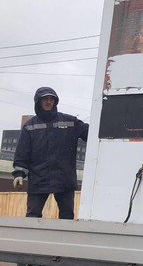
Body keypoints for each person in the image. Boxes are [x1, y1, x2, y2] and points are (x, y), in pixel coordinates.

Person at [12, 87, 89, 219]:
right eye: (45, 99)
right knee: (33, 215)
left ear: (55, 102)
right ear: (38, 102)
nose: (48, 102)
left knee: (67, 216)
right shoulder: (30, 126)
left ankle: (64, 234)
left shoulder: (70, 122)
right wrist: (19, 174)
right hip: (39, 178)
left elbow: (92, 134)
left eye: (51, 99)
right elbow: (22, 153)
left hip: (64, 178)